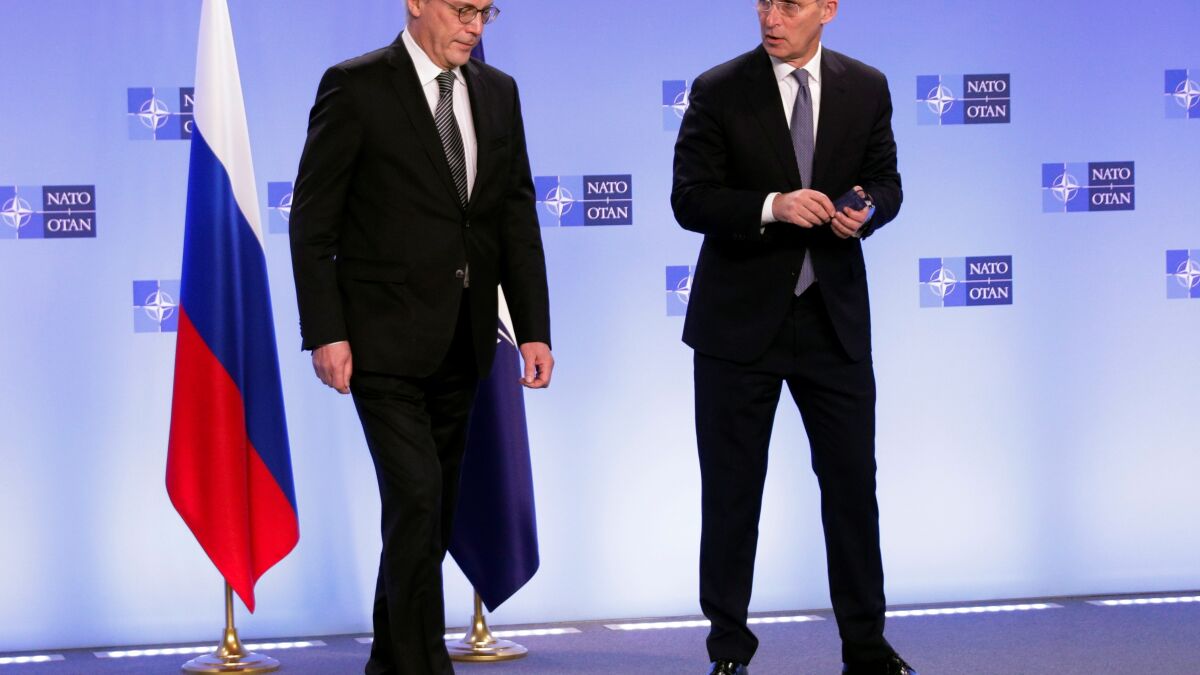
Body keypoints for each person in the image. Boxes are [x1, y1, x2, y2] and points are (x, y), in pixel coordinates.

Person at [288, 0, 553, 672]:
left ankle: (392, 660)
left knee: (428, 513)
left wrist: (533, 329)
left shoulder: (499, 91)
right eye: (463, 9)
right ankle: (423, 661)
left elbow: (515, 216)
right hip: (380, 341)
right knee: (416, 497)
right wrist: (326, 330)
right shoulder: (355, 85)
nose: (474, 26)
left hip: (465, 338)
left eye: (486, 12)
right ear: (415, 3)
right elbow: (313, 221)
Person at [671, 1, 913, 674]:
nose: (772, 16)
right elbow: (689, 197)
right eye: (764, 2)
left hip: (833, 322)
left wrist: (868, 208)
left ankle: (866, 647)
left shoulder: (867, 86)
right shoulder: (719, 88)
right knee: (731, 491)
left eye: (791, 4)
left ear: (827, 9)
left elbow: (888, 182)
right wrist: (771, 206)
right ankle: (728, 650)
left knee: (852, 488)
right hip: (737, 325)